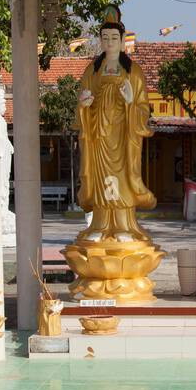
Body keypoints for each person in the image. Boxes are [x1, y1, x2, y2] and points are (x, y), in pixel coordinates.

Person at [75, 15, 156, 240]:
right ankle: (100, 225)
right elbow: (82, 100)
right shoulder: (92, 70)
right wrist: (83, 105)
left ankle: (123, 225)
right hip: (99, 134)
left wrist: (130, 102)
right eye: (105, 37)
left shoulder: (134, 71)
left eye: (114, 37)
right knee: (102, 178)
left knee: (120, 178)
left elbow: (143, 109)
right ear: (100, 41)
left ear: (122, 41)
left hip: (123, 135)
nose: (109, 42)